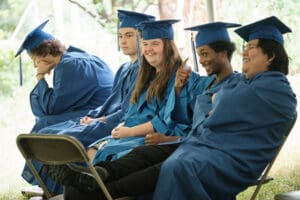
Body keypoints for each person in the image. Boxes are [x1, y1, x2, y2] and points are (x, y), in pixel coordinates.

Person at [50, 16, 297, 200]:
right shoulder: (248, 83)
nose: (245, 52)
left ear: (271, 55)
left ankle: (103, 191)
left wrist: (213, 103)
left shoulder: (276, 88)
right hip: (204, 145)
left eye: (251, 47)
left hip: (227, 156)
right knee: (147, 154)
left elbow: (221, 108)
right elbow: (209, 113)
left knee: (174, 165)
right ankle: (99, 176)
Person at [20, 11, 156, 195]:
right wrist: (93, 116)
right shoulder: (124, 68)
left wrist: (98, 120)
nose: (122, 41)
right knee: (49, 130)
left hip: (119, 122)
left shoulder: (144, 70)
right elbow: (112, 99)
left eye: (129, 35)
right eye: (120, 36)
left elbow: (52, 107)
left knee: (56, 133)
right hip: (104, 115)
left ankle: (66, 185)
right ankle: (58, 186)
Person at [144, 21, 241, 146]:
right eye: (199, 54)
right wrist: (178, 89)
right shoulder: (204, 83)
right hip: (187, 146)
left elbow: (210, 134)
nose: (200, 61)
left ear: (223, 53)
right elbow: (184, 121)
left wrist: (169, 140)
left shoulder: (236, 86)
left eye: (205, 54)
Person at [15, 20, 115, 132]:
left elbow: (52, 108)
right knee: (46, 121)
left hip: (100, 114)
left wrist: (40, 76)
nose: (35, 65)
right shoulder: (78, 57)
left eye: (34, 59)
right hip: (103, 109)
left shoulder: (68, 65)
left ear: (43, 53)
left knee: (44, 123)